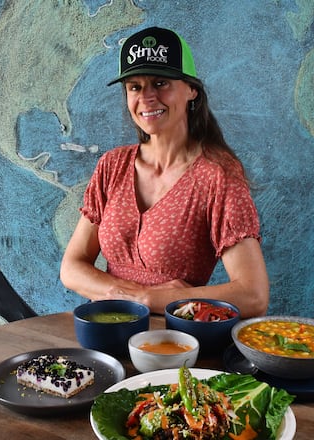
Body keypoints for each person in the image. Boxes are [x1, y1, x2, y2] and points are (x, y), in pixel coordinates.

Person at [60, 27, 269, 318]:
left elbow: (253, 295)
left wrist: (153, 299)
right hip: (107, 333)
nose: (146, 97)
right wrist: (128, 295)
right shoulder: (112, 166)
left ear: (191, 90)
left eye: (160, 83)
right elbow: (72, 268)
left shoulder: (217, 175)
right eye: (135, 87)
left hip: (176, 343)